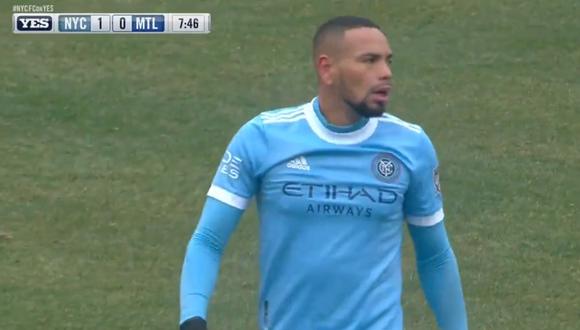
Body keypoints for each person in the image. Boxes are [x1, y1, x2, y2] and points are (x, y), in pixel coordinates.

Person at [179, 16, 468, 330]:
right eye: (369, 61)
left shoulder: (411, 146)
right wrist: (192, 318)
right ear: (327, 68)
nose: (385, 73)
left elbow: (435, 256)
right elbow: (208, 239)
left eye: (387, 61)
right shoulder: (264, 136)